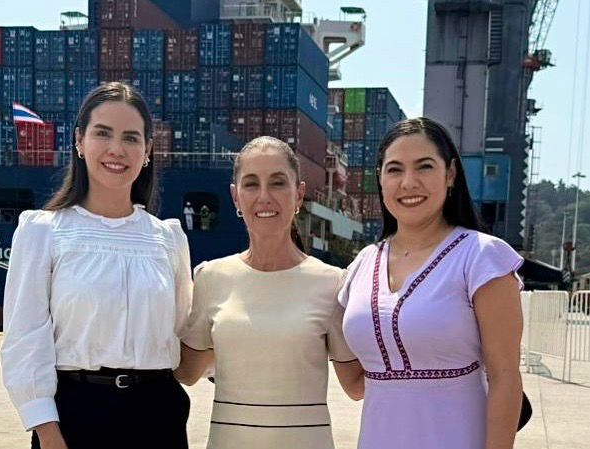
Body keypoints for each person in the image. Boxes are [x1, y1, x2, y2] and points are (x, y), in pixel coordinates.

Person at [1, 82, 192, 449]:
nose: (116, 149)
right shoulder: (44, 231)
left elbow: (184, 333)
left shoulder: (168, 239)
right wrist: (47, 431)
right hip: (75, 417)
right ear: (79, 141)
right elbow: (25, 338)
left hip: (158, 415)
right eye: (103, 133)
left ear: (148, 151)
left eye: (131, 138)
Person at [339, 117, 524, 449]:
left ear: (450, 174)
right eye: (394, 170)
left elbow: (505, 376)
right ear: (380, 178)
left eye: (424, 167)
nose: (409, 182)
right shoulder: (362, 265)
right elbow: (353, 384)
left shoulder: (482, 258)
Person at [174, 136, 364, 449]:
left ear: (298, 193)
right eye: (251, 184)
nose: (264, 196)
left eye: (277, 183)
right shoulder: (211, 279)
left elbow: (356, 386)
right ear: (235, 197)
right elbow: (186, 371)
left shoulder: (332, 283)